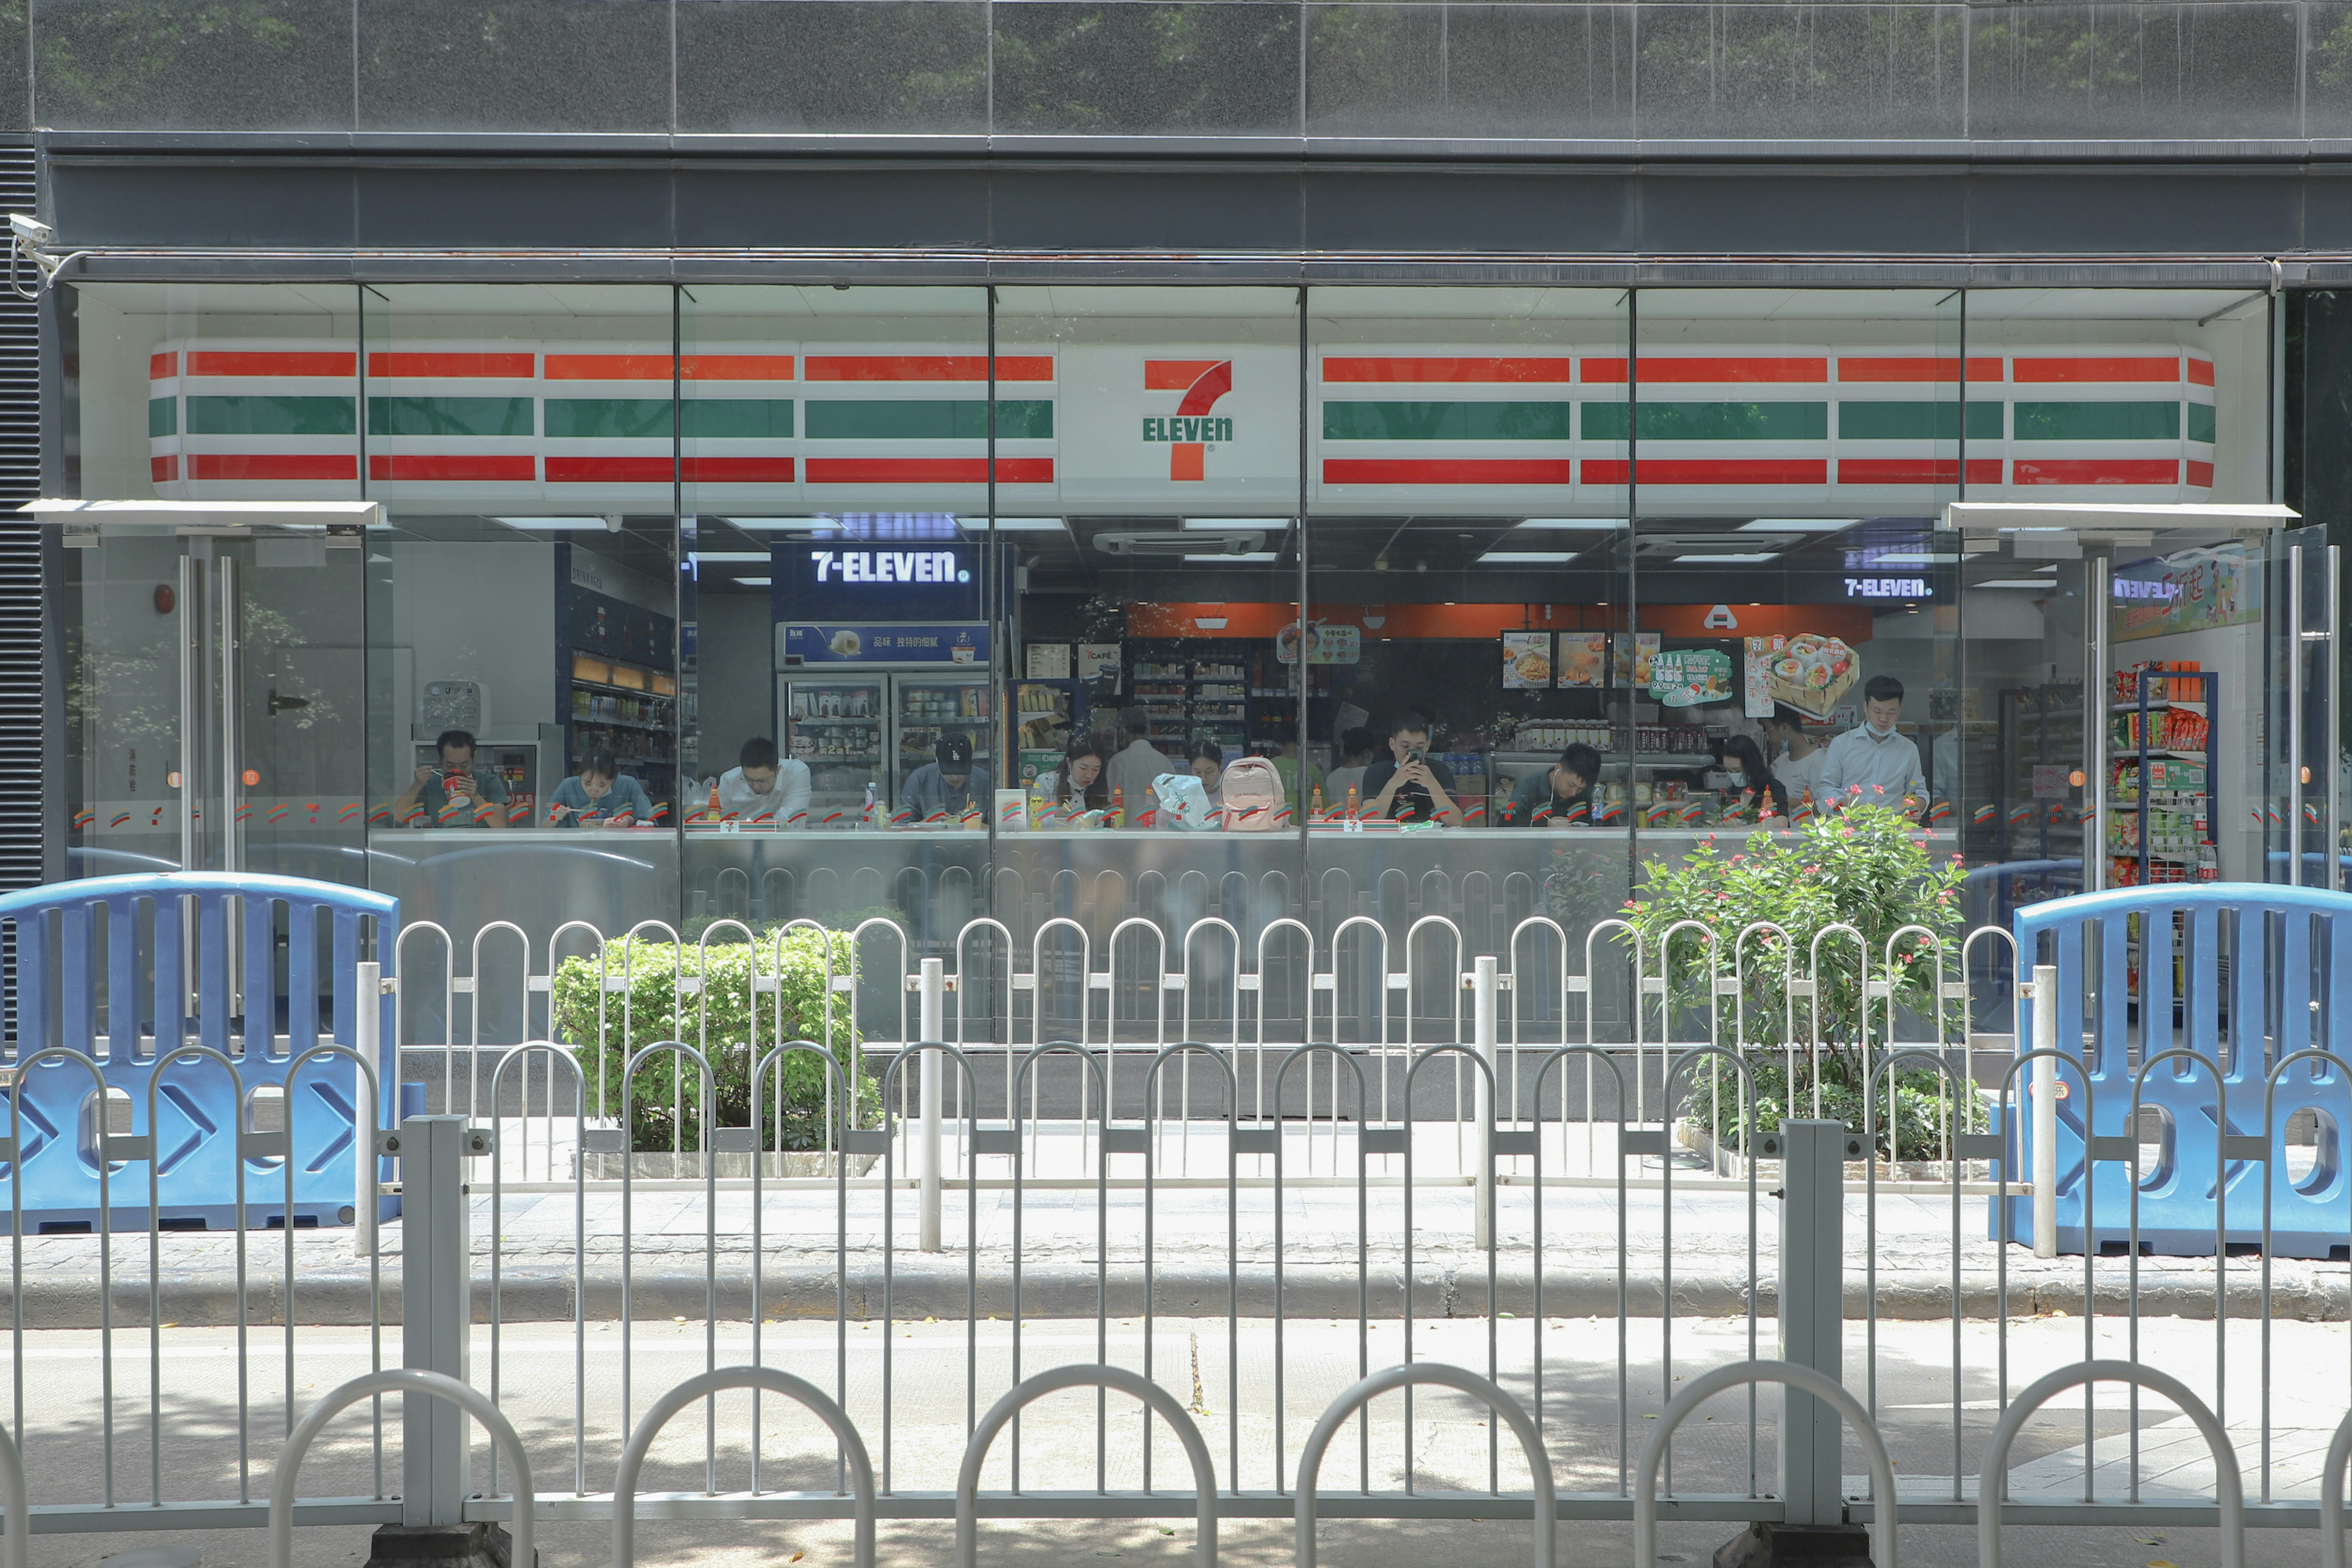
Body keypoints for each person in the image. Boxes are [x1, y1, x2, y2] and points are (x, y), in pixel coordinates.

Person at [1817, 675, 1926, 813]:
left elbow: (1919, 791)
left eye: (1891, 712)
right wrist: (1840, 802)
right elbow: (1826, 787)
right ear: (1865, 706)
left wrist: (1917, 807)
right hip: (1848, 827)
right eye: (1877, 711)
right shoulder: (1842, 744)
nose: (1884, 719)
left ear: (1900, 709)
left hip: (1891, 829)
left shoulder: (1908, 749)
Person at [1361, 711, 1462, 825]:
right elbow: (1368, 822)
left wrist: (1433, 784)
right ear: (1392, 744)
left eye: (1419, 747)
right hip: (1389, 841)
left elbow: (1456, 822)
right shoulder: (1376, 772)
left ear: (1428, 745)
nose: (1410, 753)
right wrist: (1393, 784)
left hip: (1433, 840)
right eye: (1405, 746)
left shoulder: (1440, 770)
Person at [393, 729, 510, 827]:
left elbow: (501, 825)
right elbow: (399, 816)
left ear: (473, 761)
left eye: (464, 765)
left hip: (482, 850)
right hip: (445, 850)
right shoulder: (431, 783)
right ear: (440, 763)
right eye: (450, 766)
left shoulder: (489, 782)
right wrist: (418, 784)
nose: (457, 771)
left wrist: (476, 797)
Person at [715, 736, 810, 825]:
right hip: (740, 841)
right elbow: (718, 818)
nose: (756, 786)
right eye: (749, 780)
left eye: (763, 781)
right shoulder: (729, 780)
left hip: (787, 841)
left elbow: (790, 818)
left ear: (777, 770)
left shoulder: (796, 773)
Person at [1104, 705, 1171, 826]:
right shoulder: (1165, 761)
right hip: (1159, 834)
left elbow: (1112, 803)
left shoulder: (1118, 761)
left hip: (1127, 833)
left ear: (1123, 731)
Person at [549, 750, 655, 826]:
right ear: (580, 776)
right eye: (587, 783)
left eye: (602, 785)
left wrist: (630, 821)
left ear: (613, 779)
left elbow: (652, 825)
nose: (594, 790)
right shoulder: (568, 786)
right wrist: (554, 817)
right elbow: (544, 829)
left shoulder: (628, 785)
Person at [1506, 742, 1602, 826]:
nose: (1574, 792)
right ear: (1558, 769)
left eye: (1580, 789)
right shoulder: (1528, 788)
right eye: (1571, 785)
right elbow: (1506, 823)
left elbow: (1604, 824)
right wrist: (1544, 825)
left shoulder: (1590, 793)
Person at [902, 734, 991, 821]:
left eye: (961, 772)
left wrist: (975, 823)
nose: (955, 778)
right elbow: (902, 827)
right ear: (938, 761)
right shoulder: (919, 780)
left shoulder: (985, 781)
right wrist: (929, 823)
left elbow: (999, 826)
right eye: (949, 772)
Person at [1711, 733, 1792, 822]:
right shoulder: (1733, 792)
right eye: (1729, 771)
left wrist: (1748, 829)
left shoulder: (1774, 788)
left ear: (1751, 765)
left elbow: (1782, 822)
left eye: (1737, 771)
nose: (1733, 775)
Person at [1761, 705, 1826, 808]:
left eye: (1769, 732)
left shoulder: (1819, 761)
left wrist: (1792, 802)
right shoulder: (1780, 763)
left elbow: (1828, 806)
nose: (1769, 739)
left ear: (1784, 728)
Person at [1034, 731, 1111, 813]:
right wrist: (1055, 817)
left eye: (1096, 769)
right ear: (1069, 763)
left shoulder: (1099, 785)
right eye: (1083, 768)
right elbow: (1032, 821)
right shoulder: (1046, 782)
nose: (1089, 775)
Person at [1324, 726, 1377, 808]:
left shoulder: (1332, 777)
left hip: (1337, 821)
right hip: (1365, 820)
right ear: (1366, 751)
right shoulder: (1371, 774)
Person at [1187, 739, 1226, 806]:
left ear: (1221, 764)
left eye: (1209, 772)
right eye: (1197, 772)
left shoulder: (1231, 795)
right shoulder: (1184, 796)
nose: (1203, 779)